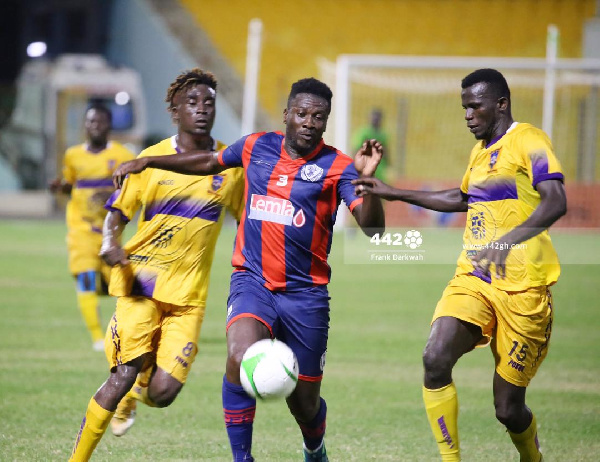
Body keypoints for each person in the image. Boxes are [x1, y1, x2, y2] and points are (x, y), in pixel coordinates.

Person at [111, 77, 386, 462]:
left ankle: (314, 447)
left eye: (318, 117)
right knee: (240, 357)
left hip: (306, 296)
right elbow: (208, 162)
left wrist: (366, 184)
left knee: (304, 403)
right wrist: (147, 160)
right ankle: (243, 458)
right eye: (303, 113)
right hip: (252, 282)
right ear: (287, 114)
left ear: (325, 123)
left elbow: (374, 231)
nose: (309, 122)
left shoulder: (338, 166)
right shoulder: (256, 145)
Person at [354, 68, 567, 461]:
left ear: (500, 104)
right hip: (475, 278)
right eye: (464, 107)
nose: (468, 115)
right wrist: (393, 193)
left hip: (525, 291)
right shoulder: (480, 151)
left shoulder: (530, 140)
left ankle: (532, 456)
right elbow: (462, 197)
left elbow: (556, 201)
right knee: (434, 358)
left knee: (508, 409)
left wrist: (507, 240)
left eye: (475, 106)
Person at [68, 68, 245, 461]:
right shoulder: (149, 161)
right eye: (192, 103)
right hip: (141, 285)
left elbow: (247, 221)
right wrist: (111, 243)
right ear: (175, 110)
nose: (202, 110)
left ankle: (136, 395)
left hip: (189, 297)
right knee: (122, 374)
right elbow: (117, 213)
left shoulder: (231, 168)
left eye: (209, 103)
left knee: (163, 394)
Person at [49, 105, 135, 351]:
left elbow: (132, 188)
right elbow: (71, 184)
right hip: (81, 229)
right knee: (85, 276)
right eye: (90, 122)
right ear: (84, 126)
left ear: (109, 125)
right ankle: (98, 337)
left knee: (118, 286)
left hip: (110, 232)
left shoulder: (122, 155)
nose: (94, 126)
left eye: (99, 122)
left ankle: (125, 332)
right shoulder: (73, 155)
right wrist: (60, 187)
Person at [351, 108, 389, 182]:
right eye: (374, 117)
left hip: (380, 167)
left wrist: (388, 161)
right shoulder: (363, 133)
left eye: (378, 117)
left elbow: (386, 150)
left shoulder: (383, 134)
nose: (376, 119)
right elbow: (356, 149)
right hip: (366, 165)